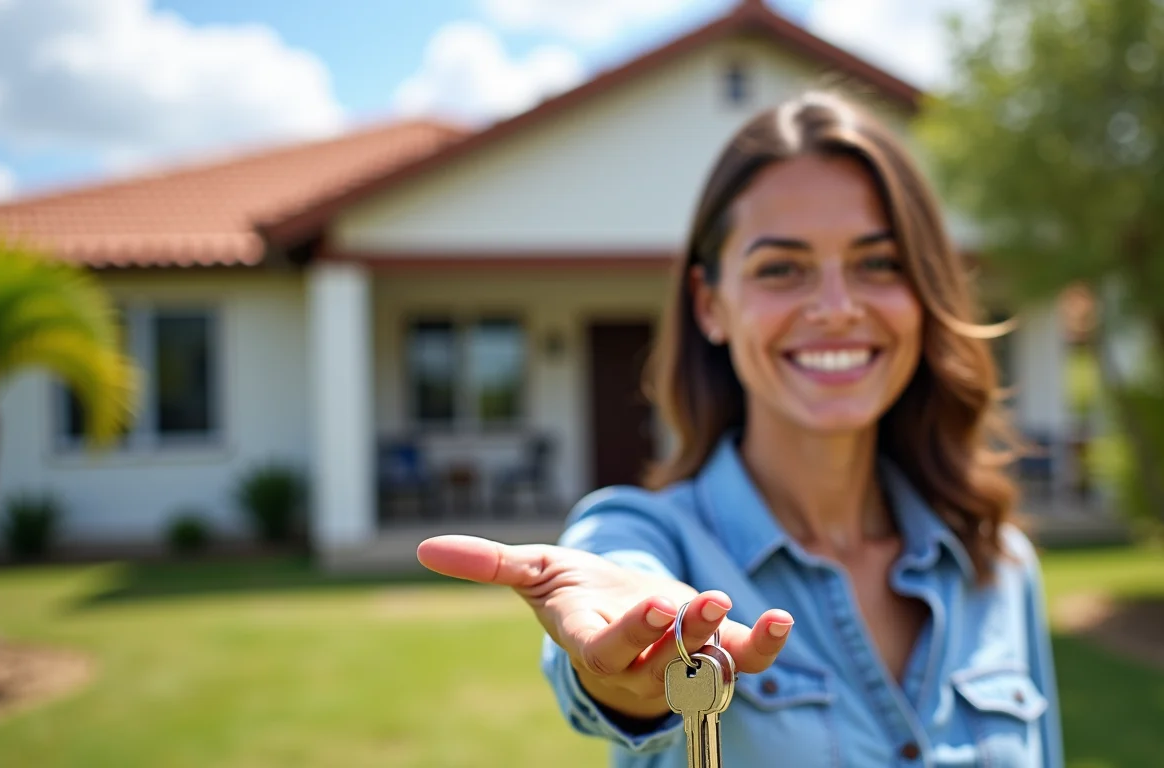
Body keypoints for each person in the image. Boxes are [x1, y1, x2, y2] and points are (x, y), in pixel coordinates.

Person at [417, 89, 1064, 767]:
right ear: (710, 305)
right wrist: (630, 665)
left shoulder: (999, 564)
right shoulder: (651, 543)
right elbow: (616, 592)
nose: (837, 309)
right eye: (782, 268)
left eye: (879, 264)